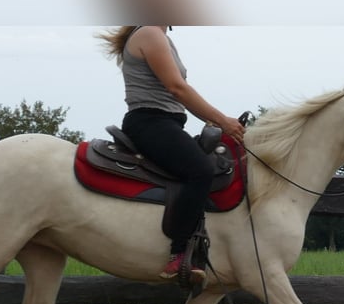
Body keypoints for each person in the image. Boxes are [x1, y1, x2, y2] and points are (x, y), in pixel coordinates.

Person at [98, 25, 245, 282]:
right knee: (200, 170)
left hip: (167, 123)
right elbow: (177, 88)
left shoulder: (161, 37)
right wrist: (223, 121)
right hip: (150, 122)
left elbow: (181, 94)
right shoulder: (150, 34)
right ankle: (178, 254)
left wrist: (218, 122)